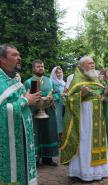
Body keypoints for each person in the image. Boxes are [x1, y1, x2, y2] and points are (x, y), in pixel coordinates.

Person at [60, 56, 108, 181]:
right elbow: (67, 99)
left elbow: (99, 95)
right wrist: (81, 94)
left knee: (97, 141)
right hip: (83, 116)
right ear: (82, 66)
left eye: (93, 63)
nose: (93, 65)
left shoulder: (96, 79)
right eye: (90, 63)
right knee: (84, 140)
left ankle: (99, 172)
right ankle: (82, 173)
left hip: (97, 115)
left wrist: (106, 91)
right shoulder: (76, 80)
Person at [0, 44, 40, 185]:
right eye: (14, 55)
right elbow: (2, 111)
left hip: (22, 137)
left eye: (19, 55)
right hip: (7, 141)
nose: (19, 58)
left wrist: (32, 100)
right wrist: (25, 100)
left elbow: (23, 101)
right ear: (2, 59)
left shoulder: (15, 79)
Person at [24, 60, 59, 166]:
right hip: (34, 112)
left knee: (49, 132)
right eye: (38, 66)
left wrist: (53, 97)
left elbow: (57, 94)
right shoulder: (29, 82)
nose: (41, 68)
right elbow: (24, 96)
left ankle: (48, 158)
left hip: (49, 111)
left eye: (42, 66)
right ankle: (35, 158)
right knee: (36, 133)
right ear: (33, 69)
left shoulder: (50, 81)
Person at [50, 66, 65, 136]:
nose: (59, 74)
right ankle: (56, 136)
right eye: (57, 73)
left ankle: (63, 136)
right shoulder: (51, 82)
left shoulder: (63, 83)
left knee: (63, 119)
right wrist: (59, 96)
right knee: (57, 120)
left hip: (64, 104)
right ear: (54, 74)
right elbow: (50, 95)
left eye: (60, 72)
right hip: (56, 105)